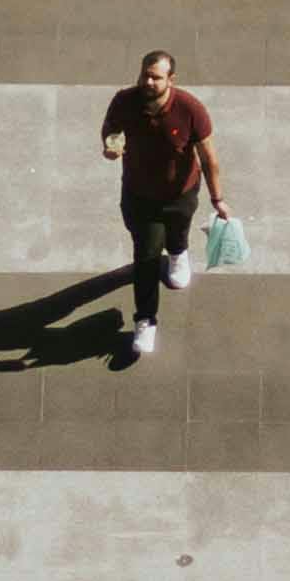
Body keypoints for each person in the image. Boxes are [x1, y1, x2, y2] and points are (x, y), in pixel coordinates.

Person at [99, 45, 225, 358]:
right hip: (140, 197)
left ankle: (179, 253)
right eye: (145, 75)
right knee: (146, 257)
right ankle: (145, 320)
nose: (149, 82)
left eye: (156, 77)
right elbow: (110, 130)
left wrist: (217, 198)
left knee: (178, 233)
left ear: (171, 79)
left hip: (181, 194)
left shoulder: (190, 109)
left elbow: (209, 159)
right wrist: (110, 146)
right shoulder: (124, 101)